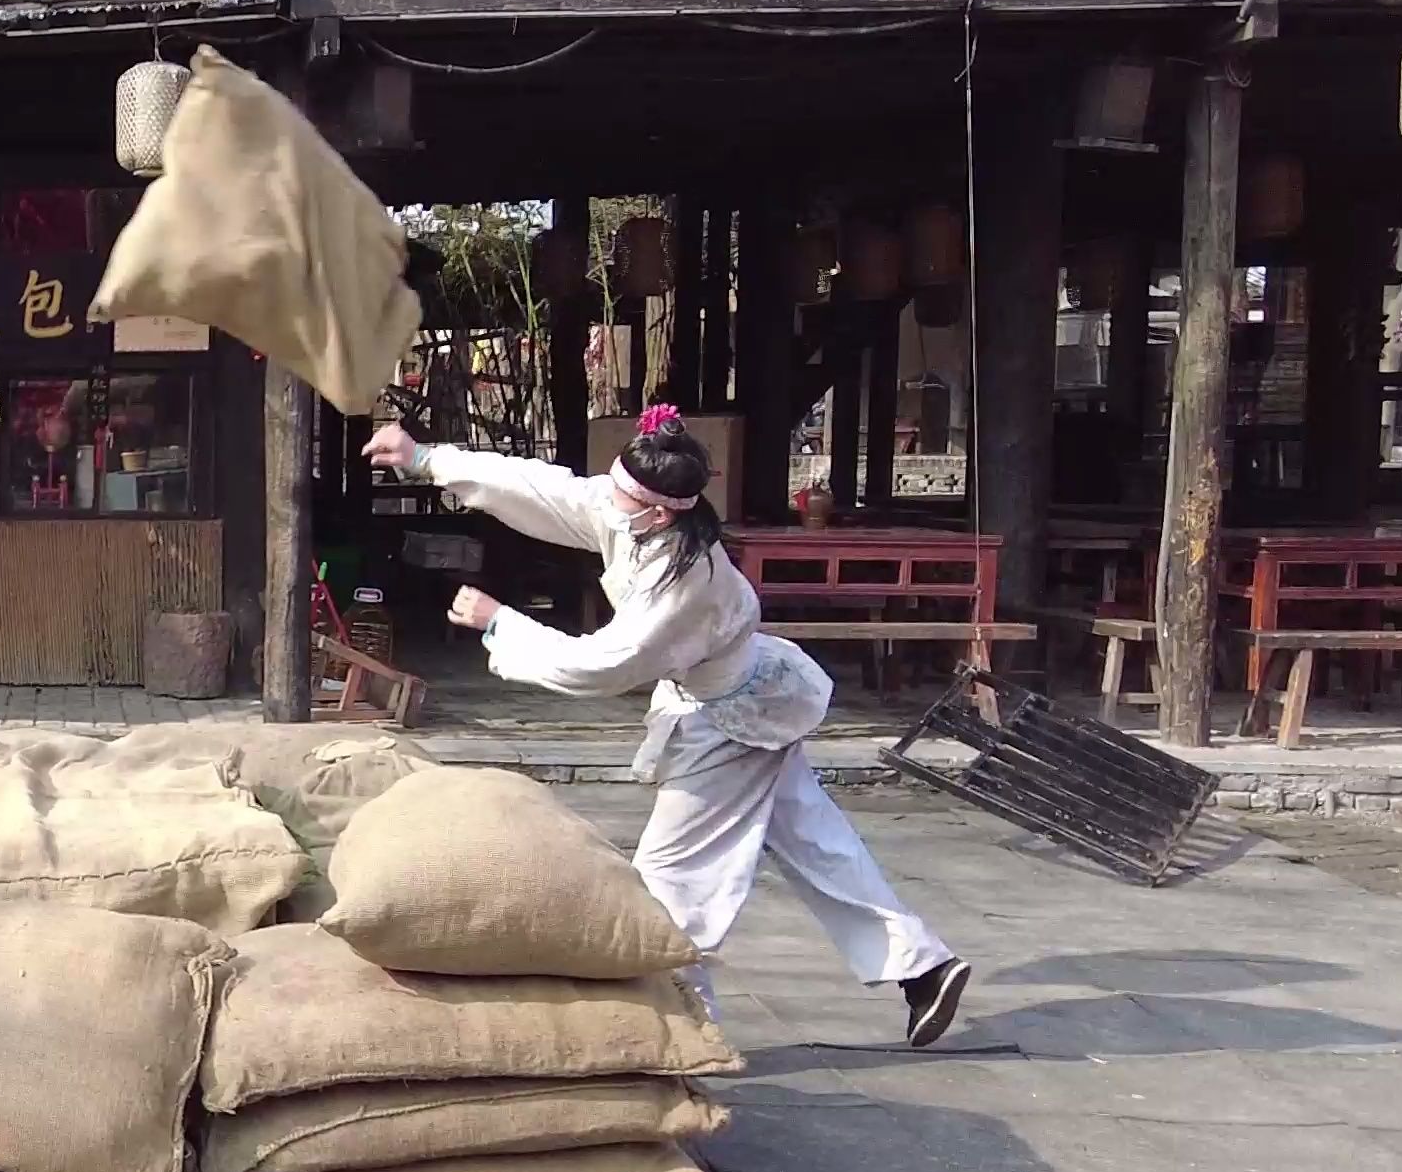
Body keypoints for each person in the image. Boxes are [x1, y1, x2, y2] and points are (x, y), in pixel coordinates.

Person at [361, 405, 972, 1048]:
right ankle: (921, 966)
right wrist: (427, 459)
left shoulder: (685, 581)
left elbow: (605, 665)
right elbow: (546, 489)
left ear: (662, 512)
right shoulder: (631, 512)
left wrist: (501, 623)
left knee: (671, 874)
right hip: (741, 696)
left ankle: (683, 1027)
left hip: (733, 720)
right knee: (814, 840)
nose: (608, 498)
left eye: (623, 494)